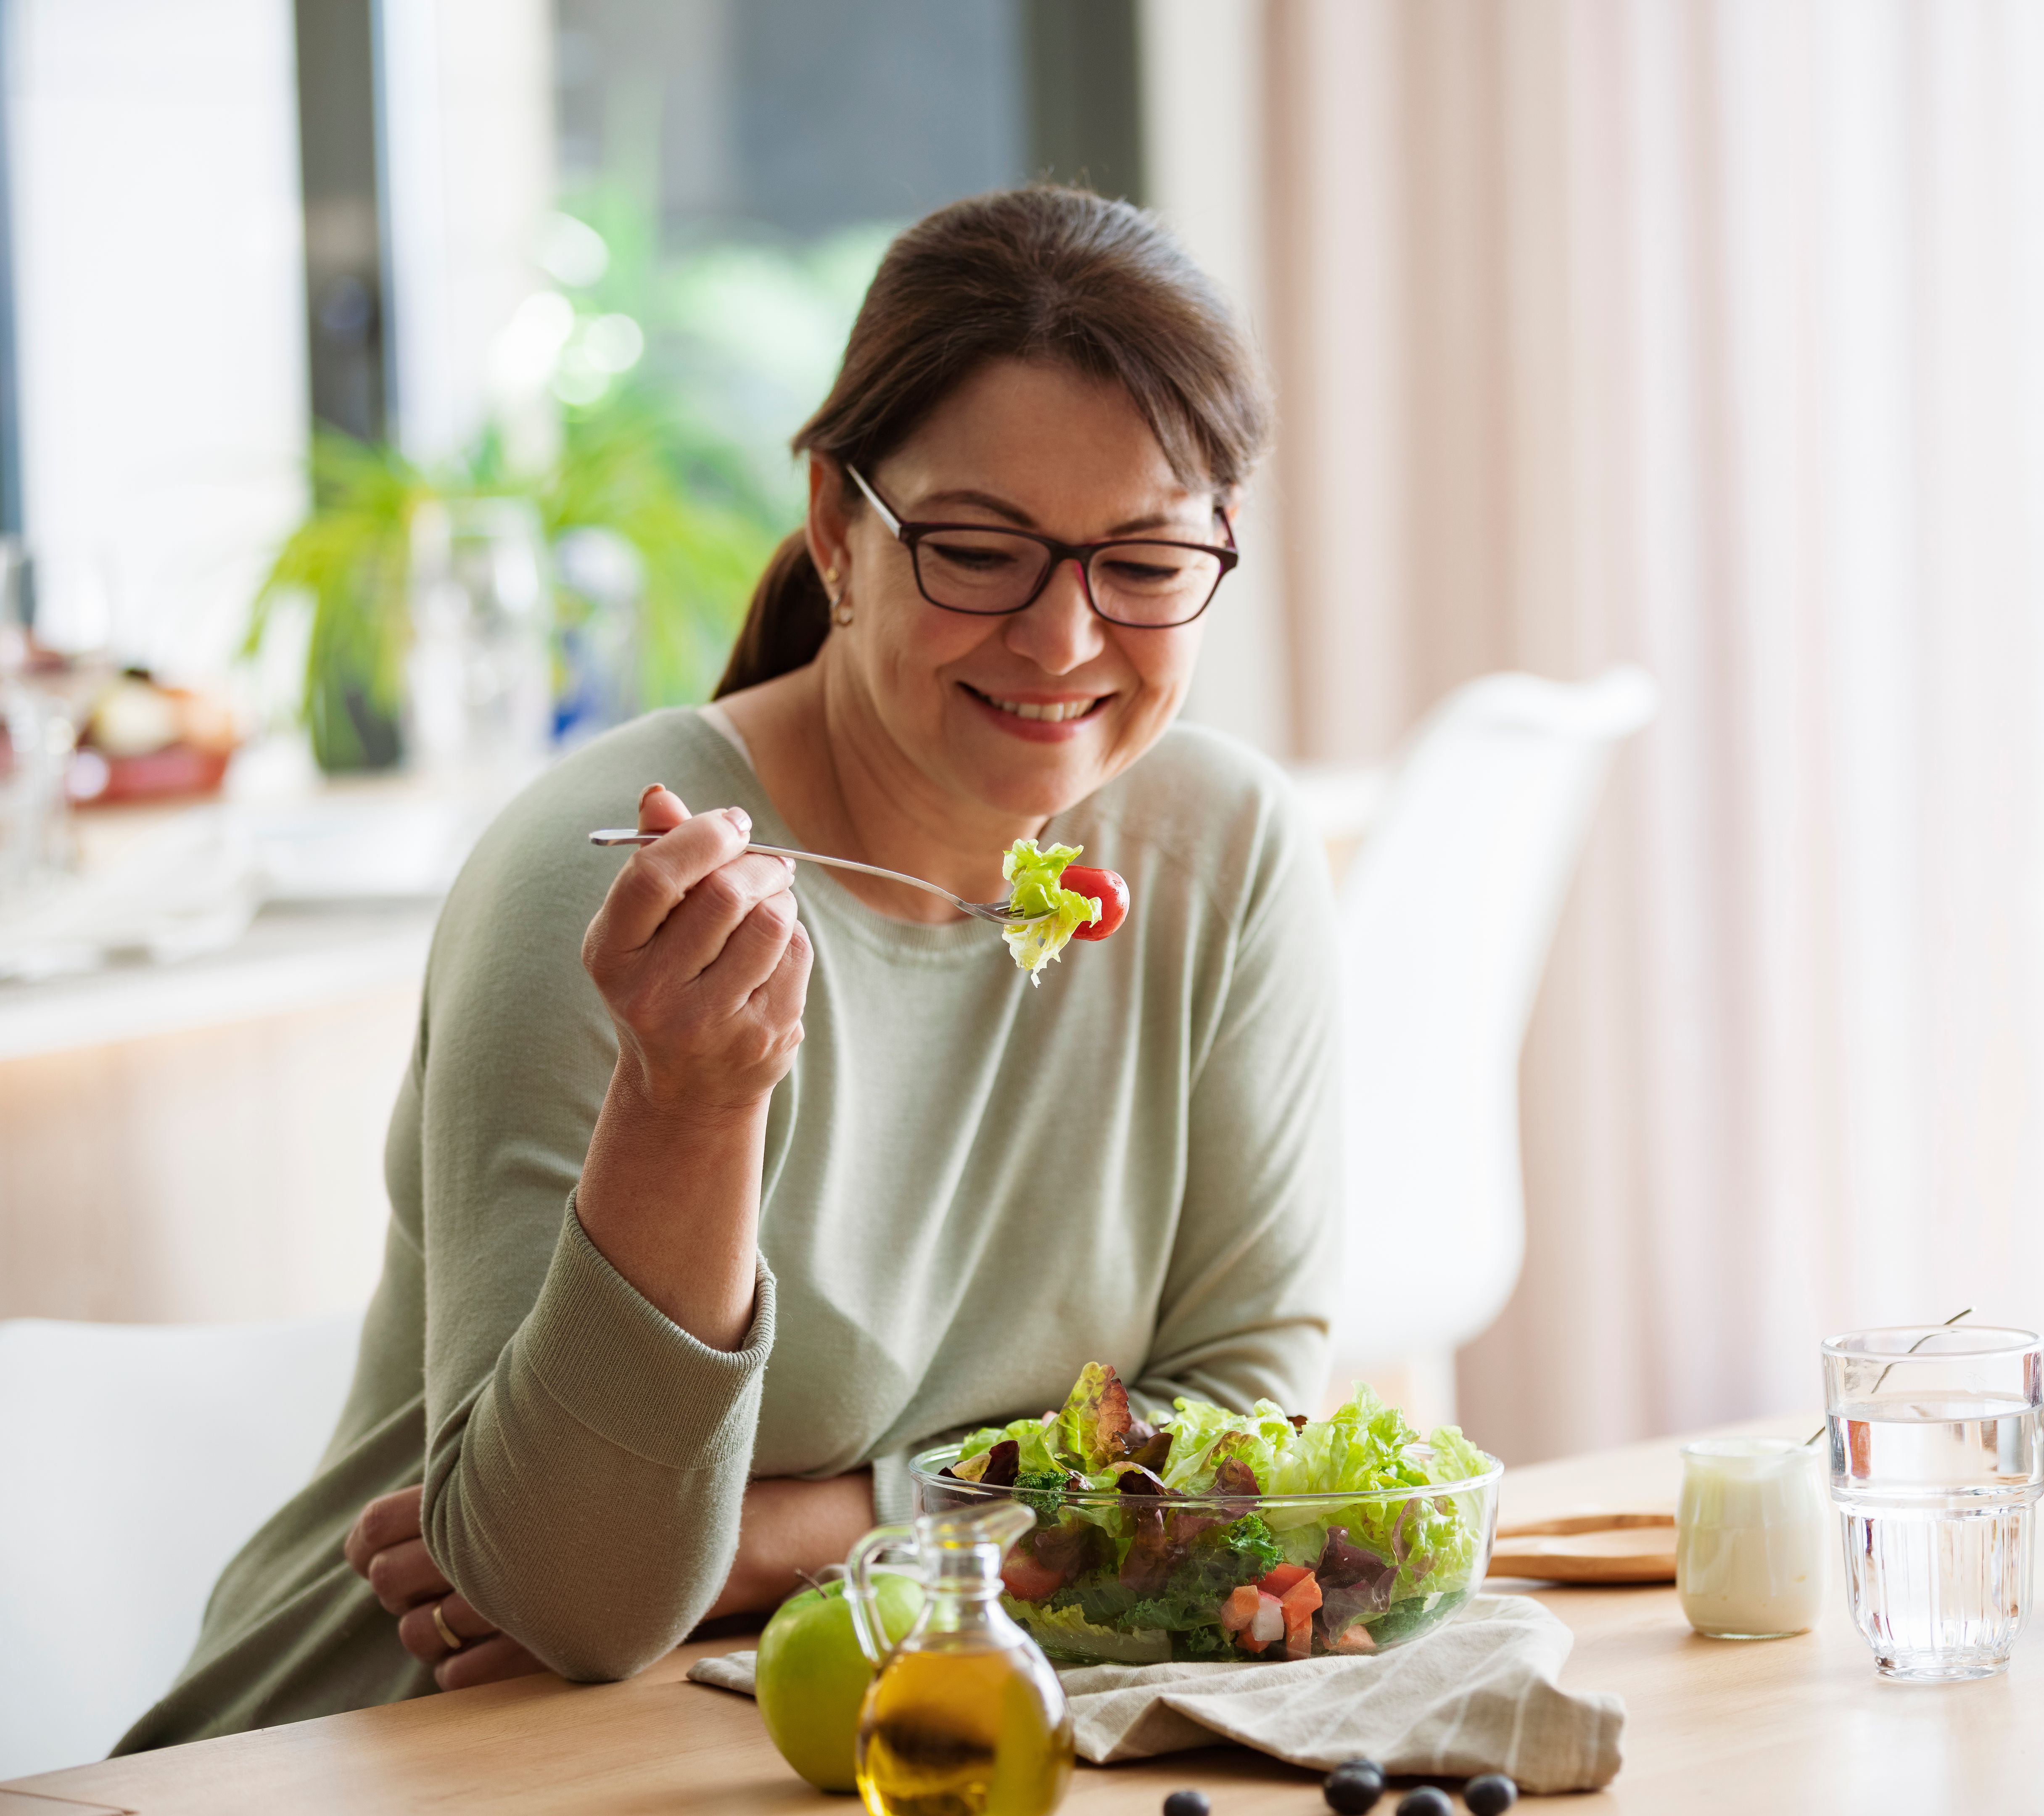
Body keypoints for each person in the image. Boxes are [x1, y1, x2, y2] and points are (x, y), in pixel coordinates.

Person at [118, 187, 1338, 1750]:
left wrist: (788, 1538)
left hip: (808, 1732)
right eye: (979, 552)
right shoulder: (632, 884)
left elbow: (1242, 1430)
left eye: (1148, 563)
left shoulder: (1218, 852)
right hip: (375, 1753)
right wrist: (692, 1101)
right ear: (839, 524)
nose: (1061, 641)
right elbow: (577, 1603)